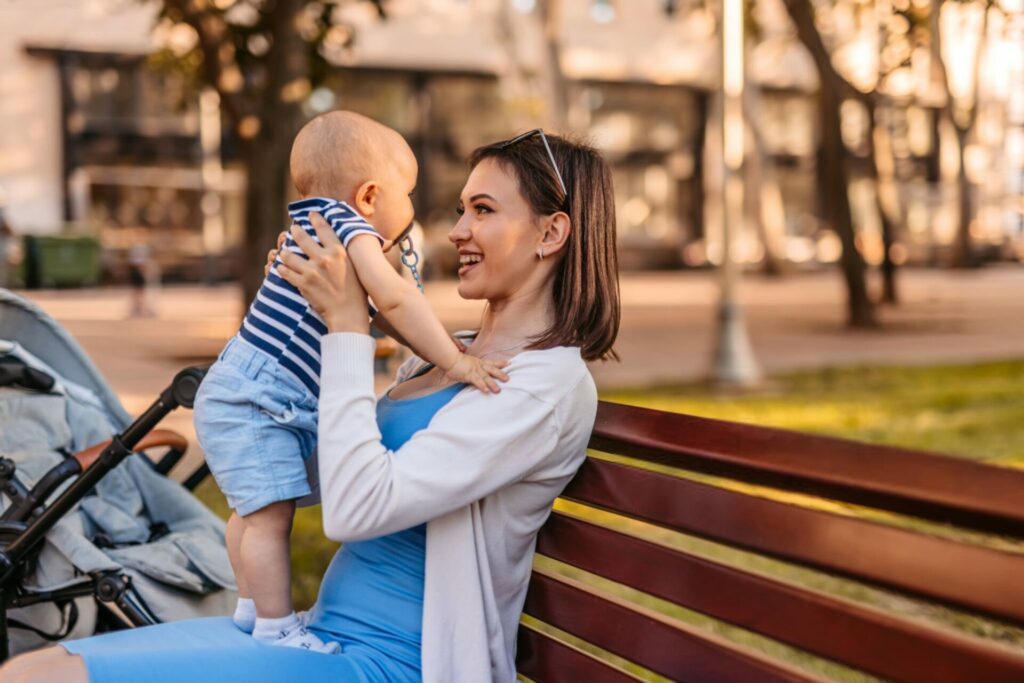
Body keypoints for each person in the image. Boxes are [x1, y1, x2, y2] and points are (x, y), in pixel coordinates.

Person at [0, 128, 620, 683]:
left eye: (482, 210)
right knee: (28, 668)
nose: (457, 230)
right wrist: (299, 325)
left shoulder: (543, 385)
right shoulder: (447, 356)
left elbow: (352, 512)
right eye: (461, 209)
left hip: (391, 662)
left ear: (552, 232)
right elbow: (323, 476)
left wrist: (347, 325)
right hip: (317, 634)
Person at [192, 111, 507, 654]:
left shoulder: (310, 223)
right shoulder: (351, 228)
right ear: (368, 196)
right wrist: (456, 364)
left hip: (239, 389)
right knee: (270, 517)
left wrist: (429, 344)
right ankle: (276, 626)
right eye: (406, 193)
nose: (411, 208)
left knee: (253, 510)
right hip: (258, 399)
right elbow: (395, 300)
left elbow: (375, 316)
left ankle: (250, 605)